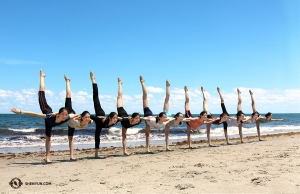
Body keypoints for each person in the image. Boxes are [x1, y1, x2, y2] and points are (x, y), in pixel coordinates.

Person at [10, 69, 79, 163]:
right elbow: (34, 114)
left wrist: (80, 117)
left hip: (53, 117)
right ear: (58, 114)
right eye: (63, 115)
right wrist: (20, 111)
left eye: (66, 115)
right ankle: (41, 76)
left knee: (68, 95)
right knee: (41, 94)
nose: (64, 117)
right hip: (48, 116)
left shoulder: (66, 117)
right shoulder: (49, 116)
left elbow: (76, 114)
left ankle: (66, 81)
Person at [139, 75, 174, 152]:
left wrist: (174, 118)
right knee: (145, 97)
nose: (166, 118)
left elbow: (168, 121)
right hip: (148, 115)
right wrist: (140, 119)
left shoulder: (164, 122)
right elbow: (145, 118)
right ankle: (142, 83)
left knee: (148, 134)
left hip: (153, 119)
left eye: (165, 117)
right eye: (164, 117)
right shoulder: (152, 120)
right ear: (160, 117)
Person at [89, 71, 120, 158]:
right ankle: (93, 80)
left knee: (97, 135)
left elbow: (121, 118)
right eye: (114, 118)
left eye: (116, 118)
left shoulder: (114, 121)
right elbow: (92, 116)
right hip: (99, 117)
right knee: (95, 97)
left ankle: (96, 153)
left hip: (103, 120)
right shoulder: (101, 121)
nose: (116, 120)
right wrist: (88, 118)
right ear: (110, 118)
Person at [64, 74, 93, 160]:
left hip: (71, 125)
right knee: (68, 95)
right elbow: (70, 117)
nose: (88, 119)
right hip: (70, 113)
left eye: (89, 117)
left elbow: (92, 120)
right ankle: (67, 81)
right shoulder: (75, 120)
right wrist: (75, 116)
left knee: (71, 138)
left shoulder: (89, 121)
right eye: (86, 117)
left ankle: (71, 156)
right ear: (82, 117)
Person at [116, 77, 142, 155]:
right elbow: (118, 117)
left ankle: (124, 151)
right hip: (121, 112)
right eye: (136, 118)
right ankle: (120, 84)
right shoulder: (125, 120)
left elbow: (144, 118)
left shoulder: (138, 121)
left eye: (138, 118)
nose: (138, 120)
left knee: (124, 136)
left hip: (126, 121)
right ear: (132, 118)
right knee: (119, 97)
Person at [163, 80, 190, 151]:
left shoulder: (181, 120)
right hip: (167, 116)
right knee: (167, 99)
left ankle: (167, 147)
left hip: (169, 120)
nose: (182, 117)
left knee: (167, 134)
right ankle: (167, 86)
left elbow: (189, 119)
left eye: (182, 116)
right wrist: (165, 122)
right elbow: (169, 120)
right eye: (181, 116)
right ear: (177, 117)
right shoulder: (173, 119)